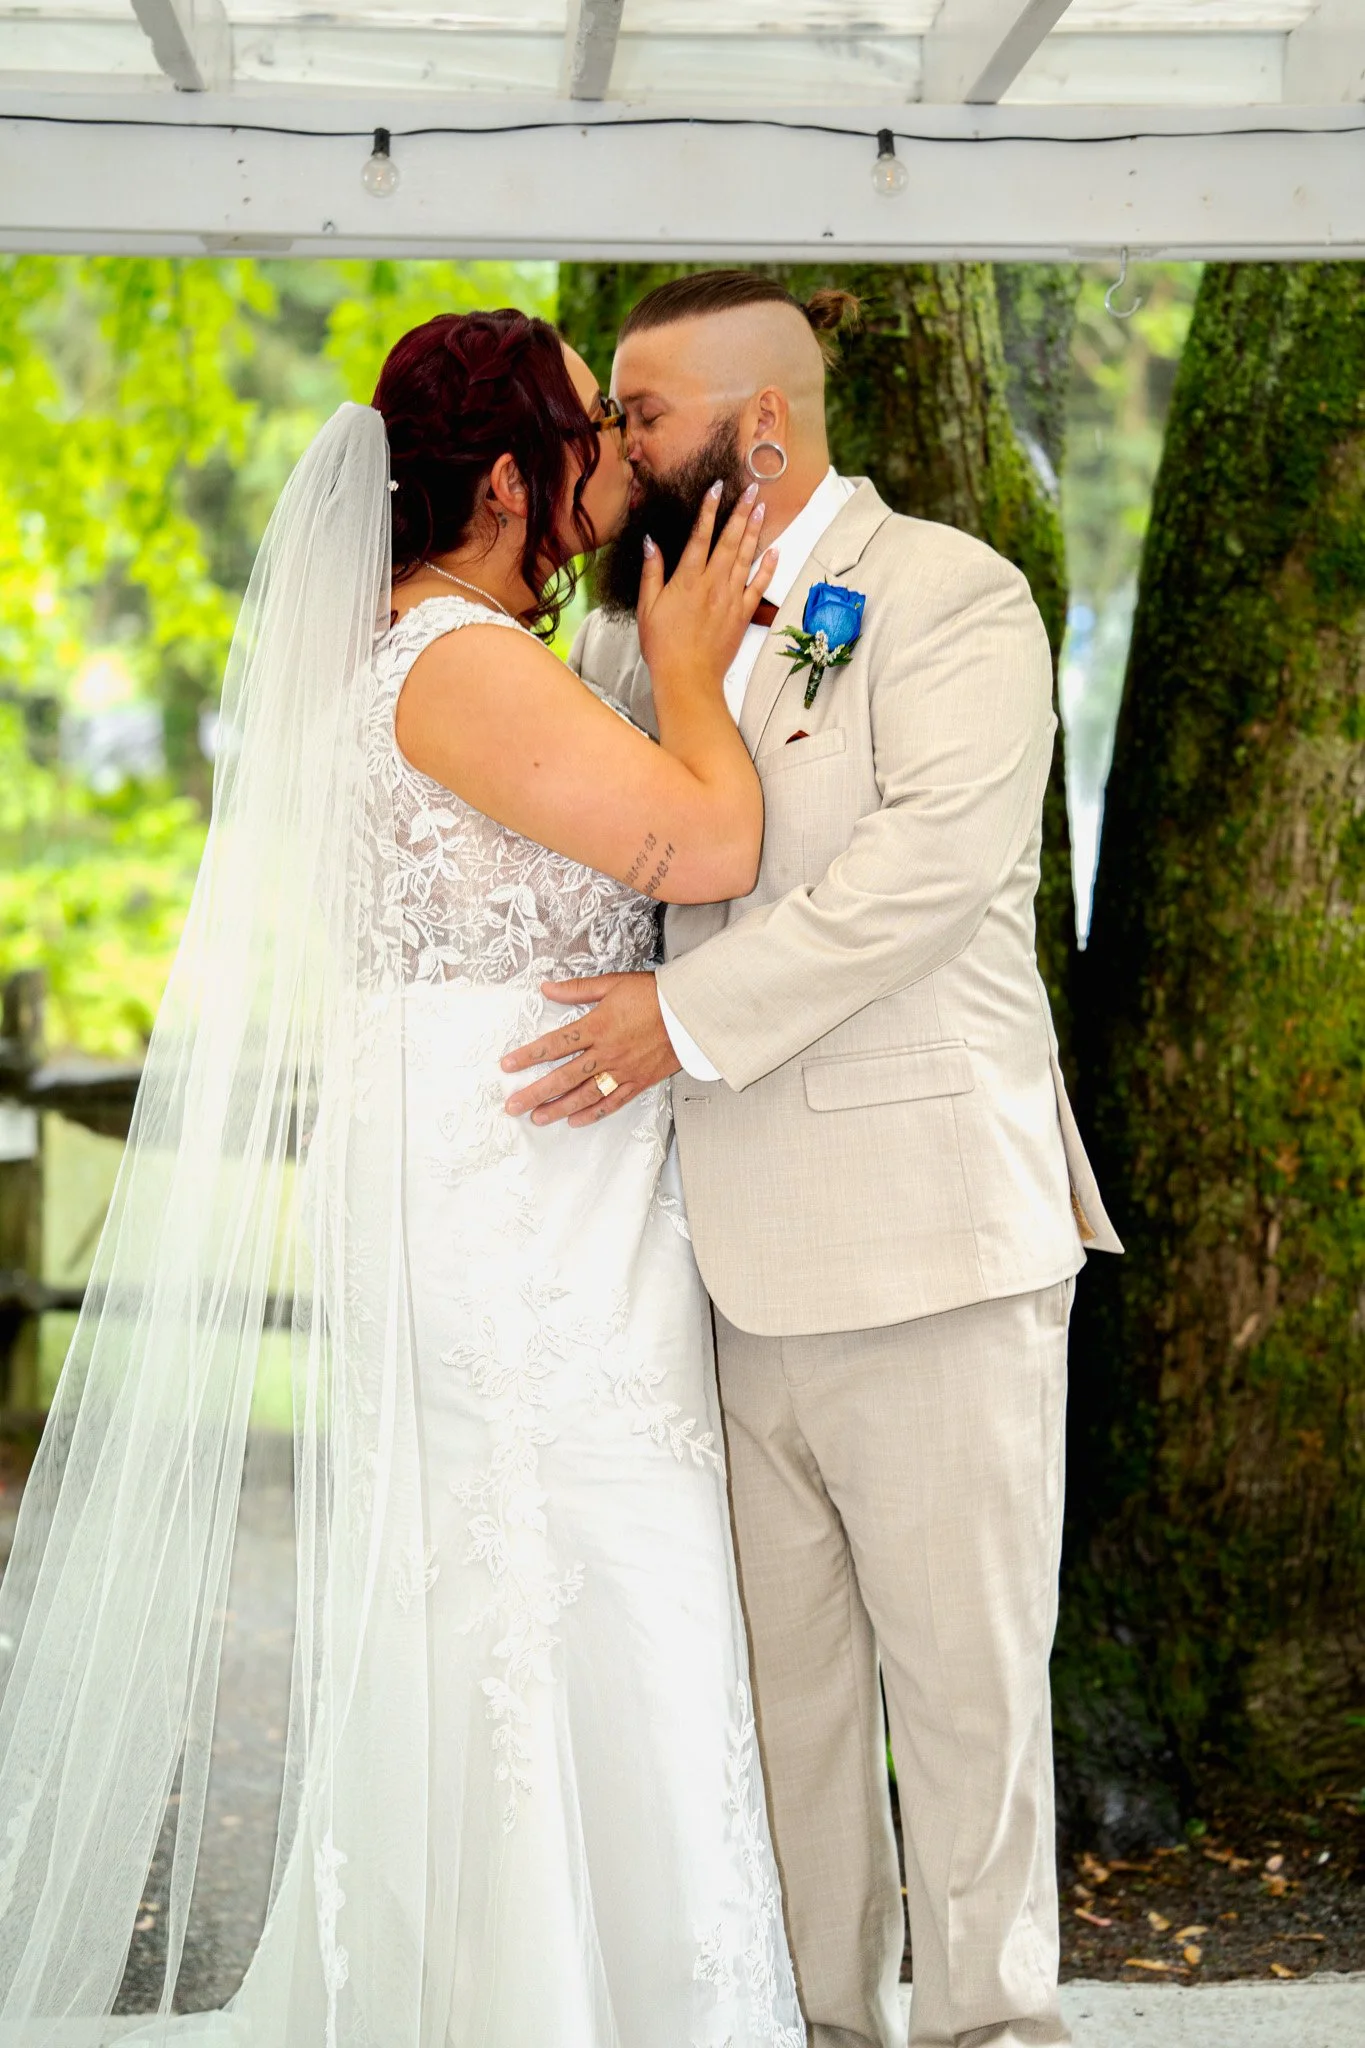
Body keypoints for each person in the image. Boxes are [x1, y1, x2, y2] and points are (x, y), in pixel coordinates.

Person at [0, 308, 802, 2047]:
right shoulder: (456, 664)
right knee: (563, 1567)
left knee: (532, 1581)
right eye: (591, 428)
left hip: (521, 1171)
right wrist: (684, 670)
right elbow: (713, 841)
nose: (616, 455)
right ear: (512, 480)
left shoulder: (425, 656)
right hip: (521, 1203)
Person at [503, 271, 1124, 2048]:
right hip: (710, 1268)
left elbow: (923, 877)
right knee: (780, 1713)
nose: (618, 444)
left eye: (642, 414)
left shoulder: (949, 597)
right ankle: (821, 2027)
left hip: (932, 1241)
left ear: (758, 431)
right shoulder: (633, 635)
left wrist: (677, 1027)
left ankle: (994, 2026)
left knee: (965, 1698)